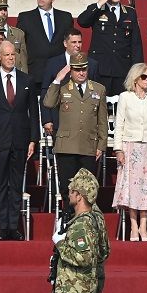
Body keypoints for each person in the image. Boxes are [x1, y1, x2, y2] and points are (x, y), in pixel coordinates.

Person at [0, 41, 37, 240]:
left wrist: (32, 140)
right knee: (1, 185)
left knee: (16, 184)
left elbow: (33, 114)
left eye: (13, 54)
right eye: (7, 55)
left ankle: (14, 227)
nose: (11, 58)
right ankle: (3, 228)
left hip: (20, 141)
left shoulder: (27, 80)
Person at [42, 52, 108, 211]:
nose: (81, 73)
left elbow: (102, 120)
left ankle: (85, 218)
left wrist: (101, 144)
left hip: (88, 145)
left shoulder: (98, 89)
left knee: (87, 187)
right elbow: (48, 102)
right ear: (70, 70)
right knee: (67, 187)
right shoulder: (62, 88)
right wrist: (58, 79)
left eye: (84, 69)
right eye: (77, 69)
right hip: (67, 145)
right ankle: (67, 218)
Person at [114, 62, 147, 241]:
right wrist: (118, 149)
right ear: (135, 79)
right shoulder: (125, 97)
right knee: (131, 188)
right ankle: (133, 227)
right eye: (144, 77)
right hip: (130, 146)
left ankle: (144, 227)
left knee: (146, 188)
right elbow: (119, 124)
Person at [77, 0, 144, 97]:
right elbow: (82, 22)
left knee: (122, 105)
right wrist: (99, 3)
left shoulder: (129, 12)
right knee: (98, 105)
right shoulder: (97, 9)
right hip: (101, 68)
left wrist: (137, 69)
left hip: (122, 68)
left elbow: (136, 43)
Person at [16, 0, 74, 100]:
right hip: (35, 72)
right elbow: (19, 46)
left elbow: (70, 43)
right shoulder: (25, 18)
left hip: (60, 73)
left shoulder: (65, 18)